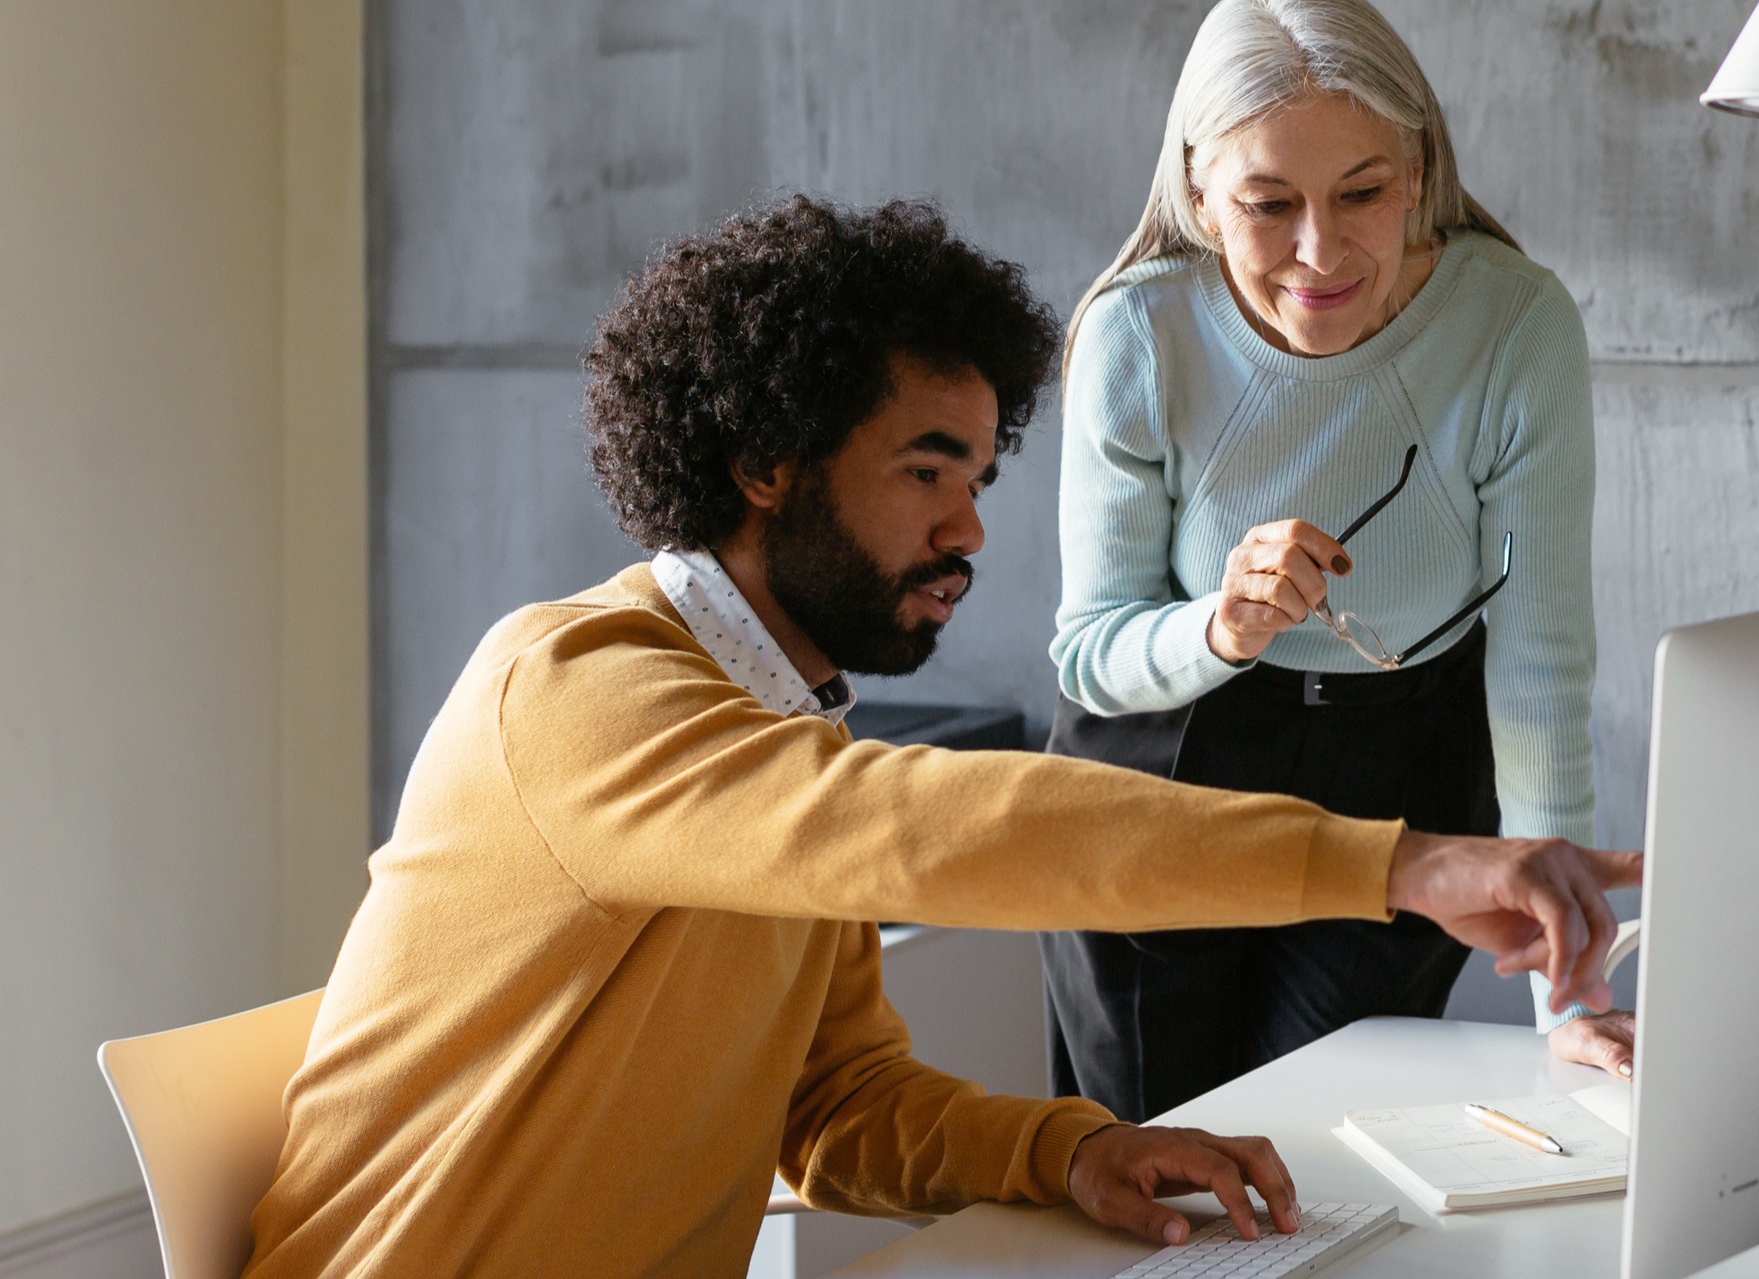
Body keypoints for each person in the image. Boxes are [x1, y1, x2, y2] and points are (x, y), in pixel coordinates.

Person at [241, 196, 1635, 1279]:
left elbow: (835, 1102)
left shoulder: (779, 724)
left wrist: (1071, 1151)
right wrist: (1397, 862)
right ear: (765, 461)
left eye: (975, 476)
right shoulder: (574, 687)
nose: (967, 529)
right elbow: (929, 827)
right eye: (925, 471)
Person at [1042, 0, 1632, 1127]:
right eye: (1268, 203)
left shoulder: (1514, 328)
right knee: (1155, 1160)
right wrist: (1218, 626)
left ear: (1417, 168)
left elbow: (1538, 668)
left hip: (1406, 765)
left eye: (1361, 191)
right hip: (1164, 763)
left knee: (1326, 1151)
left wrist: (1568, 997)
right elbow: (1089, 654)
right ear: (1198, 194)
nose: (1319, 251)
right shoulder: (1138, 333)